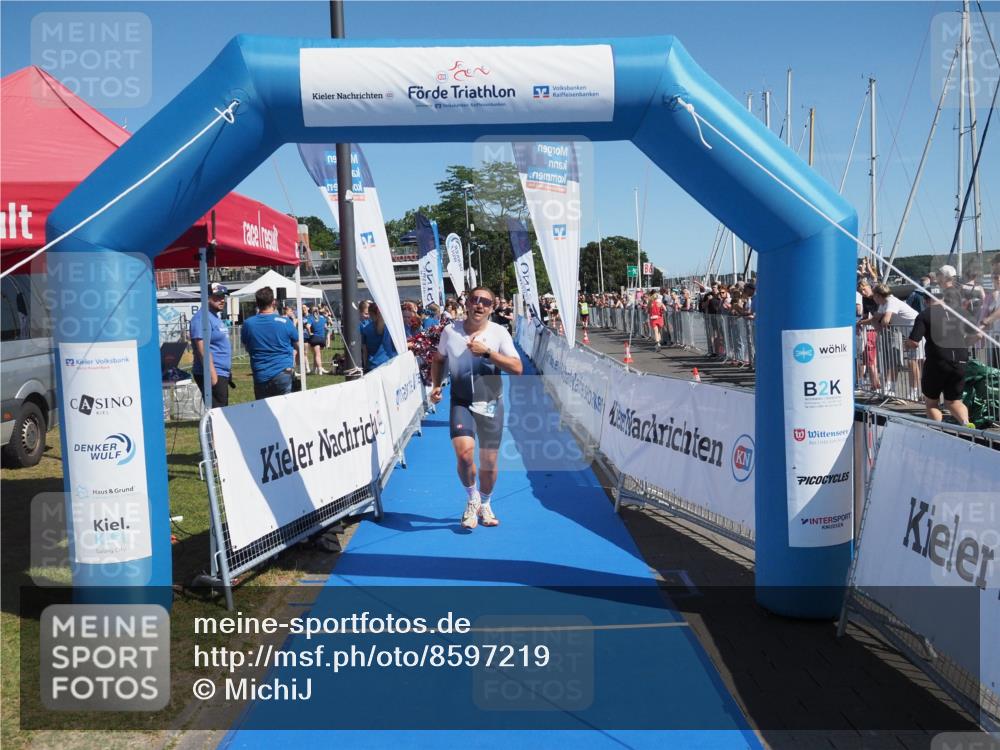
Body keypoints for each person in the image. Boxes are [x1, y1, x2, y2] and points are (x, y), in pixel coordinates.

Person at [429, 286, 523, 530]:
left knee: (488, 463)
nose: (479, 305)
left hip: (490, 402)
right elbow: (439, 359)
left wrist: (488, 353)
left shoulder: (499, 333)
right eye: (475, 300)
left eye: (486, 302)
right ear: (467, 304)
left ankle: (487, 503)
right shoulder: (450, 331)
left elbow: (517, 368)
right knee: (464, 454)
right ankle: (473, 499)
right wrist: (436, 385)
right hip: (461, 401)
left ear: (492, 308)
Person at [905, 288, 978, 426]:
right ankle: (966, 423)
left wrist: (906, 344)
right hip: (960, 359)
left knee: (932, 402)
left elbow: (914, 342)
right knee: (954, 401)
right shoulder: (960, 313)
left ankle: (937, 430)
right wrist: (964, 344)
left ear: (926, 301)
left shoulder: (925, 315)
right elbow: (978, 334)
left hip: (937, 360)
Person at [241, 286, 299, 400]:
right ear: (274, 302)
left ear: (257, 303)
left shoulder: (248, 324)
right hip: (283, 371)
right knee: (285, 410)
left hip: (260, 373)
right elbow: (299, 346)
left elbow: (246, 346)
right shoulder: (285, 322)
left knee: (264, 412)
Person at [190, 282, 233, 407]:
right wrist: (212, 375)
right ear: (207, 297)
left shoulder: (214, 316)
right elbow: (202, 349)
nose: (222, 300)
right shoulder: (201, 318)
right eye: (217, 297)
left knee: (222, 411)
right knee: (218, 413)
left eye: (223, 296)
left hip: (221, 372)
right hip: (212, 373)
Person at [360, 303, 397, 372]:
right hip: (389, 362)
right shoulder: (391, 328)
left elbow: (364, 349)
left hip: (372, 365)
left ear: (371, 314)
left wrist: (365, 365)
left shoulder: (365, 329)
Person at [305, 305, 329, 375]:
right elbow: (325, 327)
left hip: (315, 338)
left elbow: (307, 326)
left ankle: (320, 370)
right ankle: (314, 369)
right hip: (322, 338)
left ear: (311, 311)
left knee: (317, 355)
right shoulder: (322, 318)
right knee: (317, 354)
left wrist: (310, 333)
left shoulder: (311, 318)